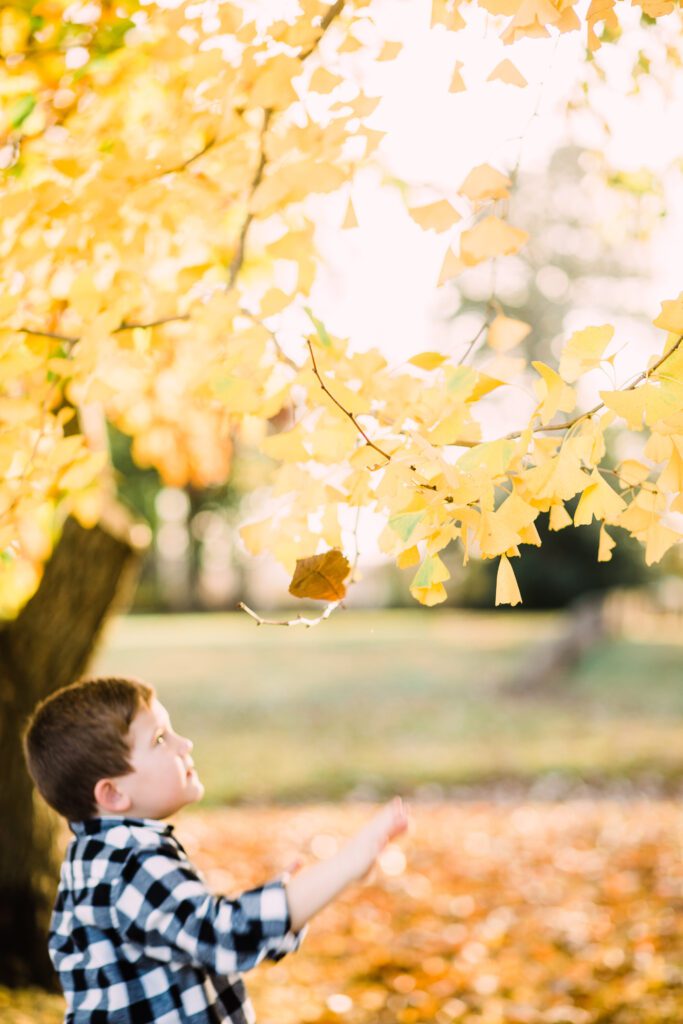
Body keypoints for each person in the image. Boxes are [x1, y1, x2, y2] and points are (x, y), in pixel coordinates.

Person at [23, 675, 408, 1024]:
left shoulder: (97, 856)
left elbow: (204, 941)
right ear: (113, 793)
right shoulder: (131, 866)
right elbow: (224, 936)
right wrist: (347, 864)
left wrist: (290, 900)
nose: (184, 744)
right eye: (160, 739)